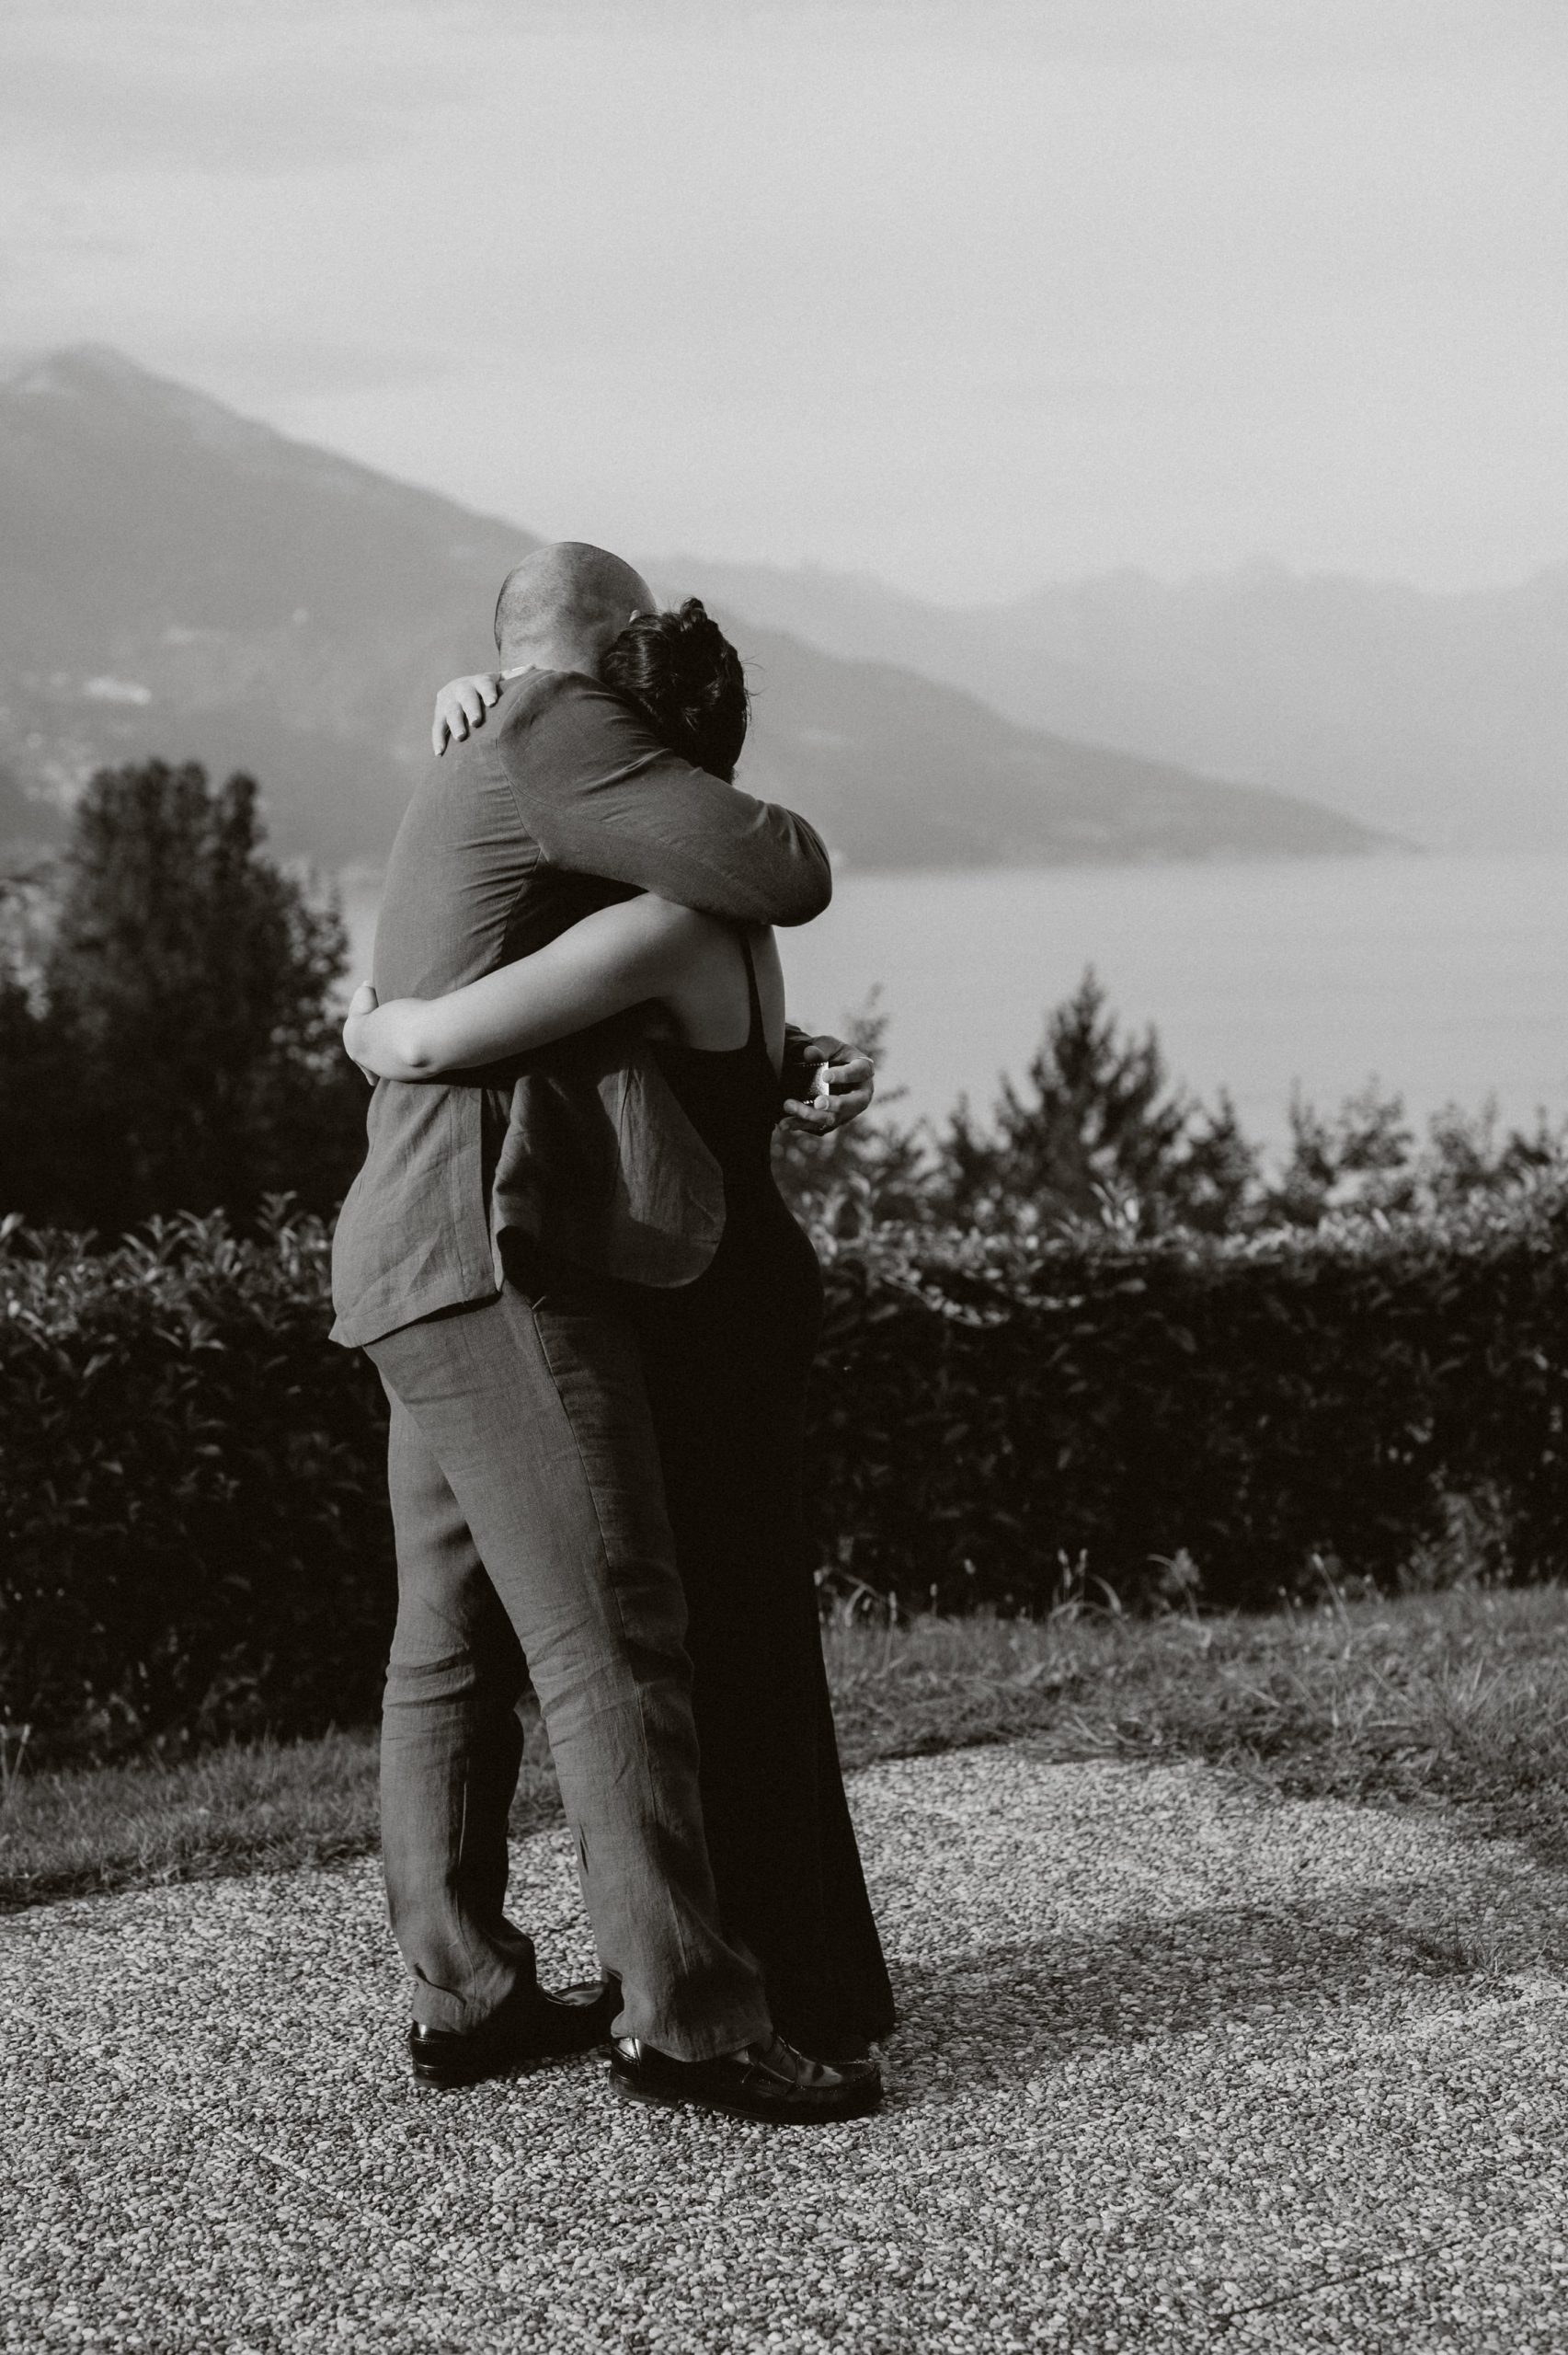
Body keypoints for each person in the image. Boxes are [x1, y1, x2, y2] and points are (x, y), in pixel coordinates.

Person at [330, 542, 879, 2125]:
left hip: (402, 1242)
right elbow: (783, 867)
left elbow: (600, 1012)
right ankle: (690, 2020)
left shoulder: (491, 748)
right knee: (610, 1622)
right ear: (607, 639)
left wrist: (780, 1059)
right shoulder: (563, 730)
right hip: (491, 1251)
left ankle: (468, 1993)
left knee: (450, 1636)